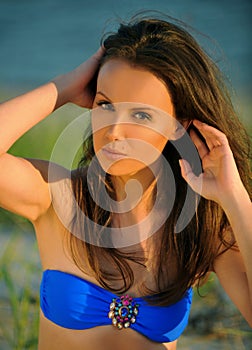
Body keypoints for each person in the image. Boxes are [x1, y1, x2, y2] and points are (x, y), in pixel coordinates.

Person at [0, 13, 251, 350]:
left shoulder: (200, 227)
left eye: (141, 114)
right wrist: (64, 86)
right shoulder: (57, 197)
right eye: (105, 105)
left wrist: (234, 197)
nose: (114, 131)